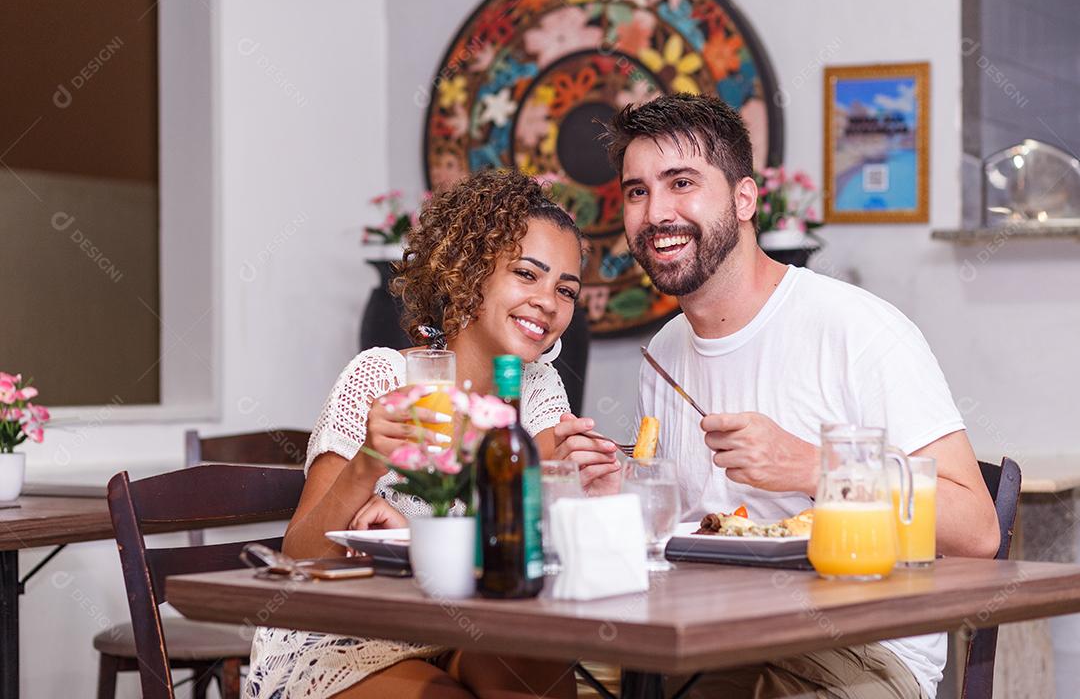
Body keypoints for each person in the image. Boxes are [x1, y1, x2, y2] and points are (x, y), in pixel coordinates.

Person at [553, 94, 1000, 699]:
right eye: (637, 191)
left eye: (681, 183)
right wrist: (614, 496)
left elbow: (976, 530)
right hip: (709, 639)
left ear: (744, 199)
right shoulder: (665, 351)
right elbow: (684, 528)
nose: (657, 212)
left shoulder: (857, 329)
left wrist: (810, 466)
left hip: (856, 650)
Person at [245, 170, 583, 699]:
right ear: (470, 273)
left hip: (470, 626)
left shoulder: (538, 389)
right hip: (350, 637)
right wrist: (369, 461)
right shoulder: (381, 377)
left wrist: (584, 481)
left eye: (566, 289)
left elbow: (533, 530)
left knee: (541, 677)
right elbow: (298, 556)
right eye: (526, 274)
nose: (549, 301)